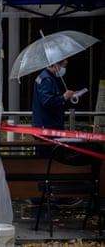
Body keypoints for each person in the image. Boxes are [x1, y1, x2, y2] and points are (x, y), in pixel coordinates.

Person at [31, 59, 82, 208]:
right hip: (48, 129)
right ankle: (59, 196)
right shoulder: (47, 79)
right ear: (56, 64)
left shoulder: (44, 77)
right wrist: (63, 98)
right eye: (64, 65)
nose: (64, 68)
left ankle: (40, 196)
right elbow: (47, 102)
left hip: (45, 126)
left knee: (44, 162)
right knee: (55, 161)